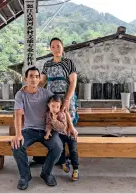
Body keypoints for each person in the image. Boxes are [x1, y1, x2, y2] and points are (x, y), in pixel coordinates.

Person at [11, 66, 63, 190]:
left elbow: (59, 105)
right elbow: (18, 114)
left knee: (58, 147)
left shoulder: (46, 93)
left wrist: (67, 124)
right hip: (29, 129)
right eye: (31, 76)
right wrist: (18, 134)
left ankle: (46, 173)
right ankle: (25, 176)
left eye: (36, 76)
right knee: (17, 145)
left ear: (39, 79)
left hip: (47, 129)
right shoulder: (20, 94)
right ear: (25, 79)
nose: (34, 79)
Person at [39, 37, 79, 180]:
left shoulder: (69, 63)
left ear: (63, 47)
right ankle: (61, 160)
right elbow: (42, 82)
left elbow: (73, 83)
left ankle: (73, 161)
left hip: (66, 100)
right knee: (57, 130)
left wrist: (67, 100)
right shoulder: (47, 64)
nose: (56, 49)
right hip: (52, 102)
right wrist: (32, 92)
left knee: (68, 128)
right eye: (53, 46)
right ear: (50, 49)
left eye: (58, 46)